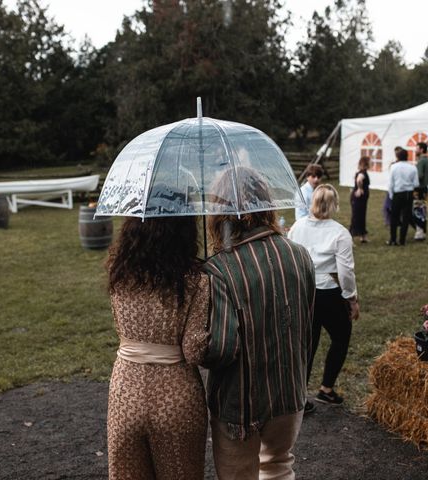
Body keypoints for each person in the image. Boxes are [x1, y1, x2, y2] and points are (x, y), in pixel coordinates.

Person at [203, 167, 315, 480]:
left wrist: (196, 347)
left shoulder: (219, 269)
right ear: (265, 205)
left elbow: (222, 349)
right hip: (288, 392)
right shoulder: (300, 256)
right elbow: (306, 324)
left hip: (240, 402)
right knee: (280, 468)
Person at [105, 212, 209, 480]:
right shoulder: (196, 280)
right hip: (175, 397)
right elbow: (194, 351)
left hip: (125, 392)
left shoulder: (119, 274)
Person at [288, 184, 360, 409]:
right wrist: (351, 299)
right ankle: (326, 389)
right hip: (328, 293)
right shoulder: (339, 233)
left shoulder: (297, 227)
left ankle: (299, 396)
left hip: (303, 290)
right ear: (334, 205)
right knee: (341, 335)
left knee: (308, 343)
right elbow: (346, 271)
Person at [387, 148, 418, 246]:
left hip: (397, 193)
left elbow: (391, 183)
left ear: (397, 157)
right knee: (406, 217)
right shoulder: (413, 167)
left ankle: (393, 239)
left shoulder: (394, 167)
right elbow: (416, 183)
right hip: (408, 193)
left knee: (394, 217)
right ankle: (402, 240)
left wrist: (391, 195)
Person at [413, 142, 428, 241]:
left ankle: (419, 232)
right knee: (423, 210)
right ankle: (422, 232)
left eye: (416, 148)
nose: (415, 150)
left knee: (417, 210)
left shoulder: (421, 162)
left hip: (419, 189)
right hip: (425, 188)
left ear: (421, 150)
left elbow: (419, 175)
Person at [350, 156, 371, 243]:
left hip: (361, 199)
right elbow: (359, 180)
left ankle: (363, 236)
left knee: (361, 217)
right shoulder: (362, 173)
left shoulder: (362, 172)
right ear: (366, 164)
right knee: (356, 217)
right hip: (358, 199)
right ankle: (349, 239)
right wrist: (359, 188)